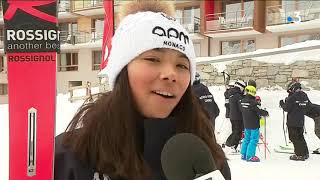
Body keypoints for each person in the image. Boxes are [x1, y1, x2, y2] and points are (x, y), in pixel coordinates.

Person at [54, 1, 231, 180]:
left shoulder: (206, 158)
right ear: (122, 70)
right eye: (153, 59)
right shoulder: (71, 156)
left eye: (182, 65)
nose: (171, 74)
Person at [280, 81, 311, 161]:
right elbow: (308, 106)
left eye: (290, 90)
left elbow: (286, 108)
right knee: (300, 137)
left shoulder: (292, 97)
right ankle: (305, 153)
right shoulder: (304, 95)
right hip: (301, 121)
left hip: (292, 121)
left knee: (294, 138)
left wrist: (282, 103)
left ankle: (299, 154)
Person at [240, 86, 269, 162]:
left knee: (246, 139)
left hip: (246, 123)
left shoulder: (242, 101)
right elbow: (258, 110)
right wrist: (265, 113)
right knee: (254, 139)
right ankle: (250, 156)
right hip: (254, 124)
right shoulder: (253, 102)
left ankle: (243, 154)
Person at [224, 79, 246, 153]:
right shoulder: (237, 95)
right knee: (237, 132)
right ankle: (231, 145)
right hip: (237, 117)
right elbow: (241, 106)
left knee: (235, 131)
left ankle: (229, 144)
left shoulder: (231, 93)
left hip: (232, 115)